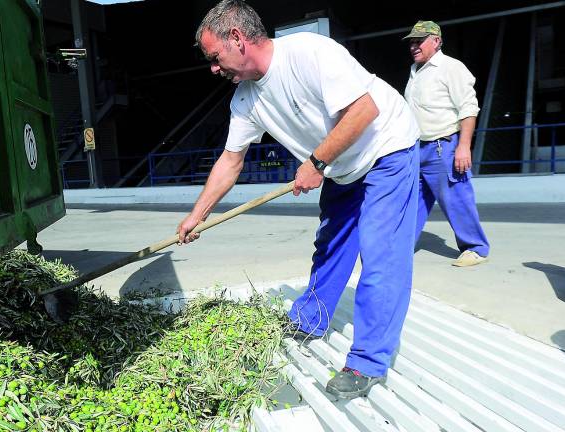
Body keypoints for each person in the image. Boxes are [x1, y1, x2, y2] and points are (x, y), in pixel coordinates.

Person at [177, 0, 420, 399]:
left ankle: (367, 362)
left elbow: (364, 110)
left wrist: (316, 162)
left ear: (237, 39)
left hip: (386, 150)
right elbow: (230, 161)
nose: (214, 68)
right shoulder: (245, 100)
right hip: (342, 167)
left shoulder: (309, 52)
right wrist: (196, 217)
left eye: (215, 57)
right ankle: (310, 319)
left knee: (381, 255)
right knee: (330, 248)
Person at [403, 21, 490, 267]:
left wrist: (463, 146)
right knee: (411, 201)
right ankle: (402, 246)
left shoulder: (451, 67)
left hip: (444, 146)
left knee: (456, 198)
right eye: (411, 41)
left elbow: (468, 108)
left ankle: (475, 248)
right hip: (417, 148)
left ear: (436, 40)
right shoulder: (415, 71)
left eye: (419, 40)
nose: (414, 45)